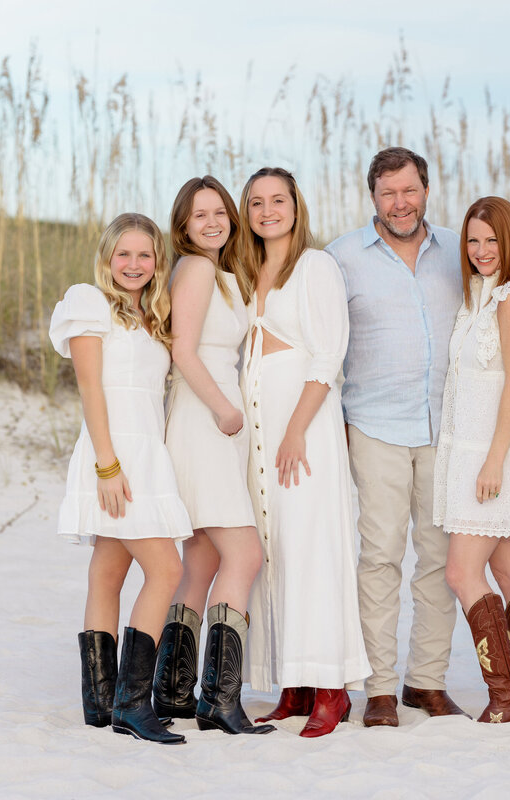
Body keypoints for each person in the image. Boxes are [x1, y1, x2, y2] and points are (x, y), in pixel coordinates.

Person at [325, 147, 467, 727]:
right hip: (374, 426)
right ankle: (380, 688)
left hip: (447, 428)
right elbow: (322, 343)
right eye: (388, 193)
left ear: (426, 190)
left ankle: (425, 682)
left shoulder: (461, 251)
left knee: (439, 560)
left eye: (409, 191)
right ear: (373, 198)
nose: (400, 203)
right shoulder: (340, 258)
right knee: (379, 556)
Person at [234, 167, 371, 738]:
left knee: (314, 549)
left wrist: (295, 430)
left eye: (278, 201)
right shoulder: (242, 271)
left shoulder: (314, 266)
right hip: (259, 437)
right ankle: (293, 681)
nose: (268, 211)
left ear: (296, 205)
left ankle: (331, 691)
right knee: (274, 551)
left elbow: (327, 356)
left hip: (303, 433)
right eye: (258, 202)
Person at [49, 212, 190, 745]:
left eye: (144, 255)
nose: (133, 265)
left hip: (146, 453)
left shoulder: (151, 315)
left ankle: (101, 703)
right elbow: (91, 390)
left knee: (108, 571)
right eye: (123, 254)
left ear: (157, 261)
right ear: (108, 257)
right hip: (115, 456)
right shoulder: (89, 303)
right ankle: (134, 703)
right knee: (166, 570)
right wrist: (107, 465)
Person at [153, 177, 274, 736]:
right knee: (245, 556)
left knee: (200, 559)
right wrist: (226, 410)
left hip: (207, 422)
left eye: (220, 212)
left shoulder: (217, 272)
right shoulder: (197, 269)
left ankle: (173, 691)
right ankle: (219, 700)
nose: (212, 222)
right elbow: (183, 351)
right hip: (206, 423)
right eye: (199, 215)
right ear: (183, 224)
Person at [436, 196, 510, 724]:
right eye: (473, 240)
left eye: (492, 240)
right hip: (474, 452)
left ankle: (507, 696)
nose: (483, 250)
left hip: (493, 456)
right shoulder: (478, 298)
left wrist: (495, 461)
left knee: (462, 572)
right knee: (509, 569)